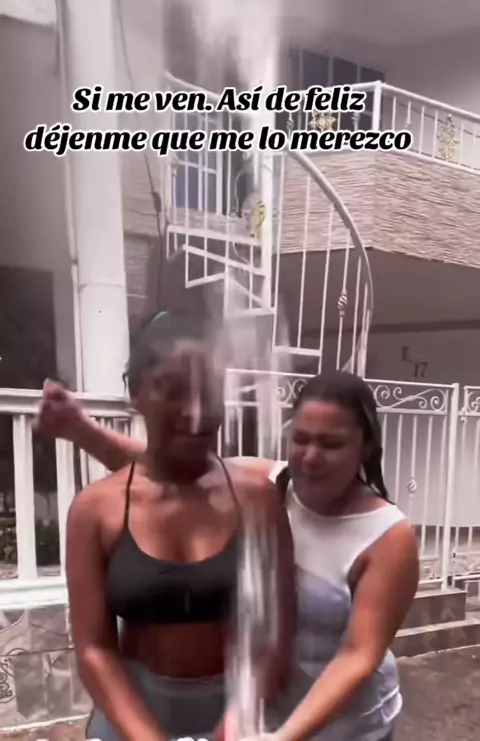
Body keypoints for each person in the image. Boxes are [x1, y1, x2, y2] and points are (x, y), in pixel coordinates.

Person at [37, 365, 418, 741]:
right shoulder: (267, 487)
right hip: (265, 714)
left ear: (366, 446)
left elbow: (358, 657)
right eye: (301, 439)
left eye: (331, 444)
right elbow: (168, 471)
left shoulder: (387, 537)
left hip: (344, 727)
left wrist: (282, 737)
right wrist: (82, 431)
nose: (311, 456)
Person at [46, 313, 294, 741]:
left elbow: (274, 636)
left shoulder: (257, 498)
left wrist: (230, 730)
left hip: (238, 712)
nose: (195, 412)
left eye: (209, 391)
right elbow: (94, 649)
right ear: (136, 393)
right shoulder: (96, 511)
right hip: (132, 713)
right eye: (173, 390)